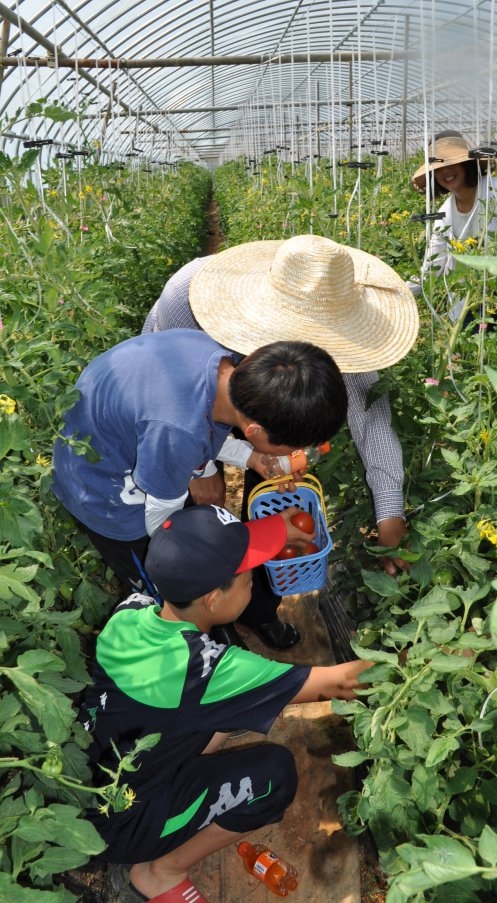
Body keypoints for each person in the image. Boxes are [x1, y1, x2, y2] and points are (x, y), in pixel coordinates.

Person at [79, 503, 372, 903]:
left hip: (92, 781)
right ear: (214, 599)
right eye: (248, 579)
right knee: (274, 774)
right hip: (124, 821)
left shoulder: (132, 611)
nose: (253, 584)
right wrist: (423, 658)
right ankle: (161, 872)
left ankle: (175, 788)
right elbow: (339, 683)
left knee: (223, 712)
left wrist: (280, 531)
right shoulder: (205, 670)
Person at [142, 234, 420, 645]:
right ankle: (202, 619)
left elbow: (372, 423)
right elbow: (162, 385)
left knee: (273, 490)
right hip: (192, 407)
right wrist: (199, 468)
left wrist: (389, 515)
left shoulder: (350, 336)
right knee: (188, 515)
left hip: (264, 413)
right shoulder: (192, 295)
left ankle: (255, 608)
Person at [52, 332, 347, 649]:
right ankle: (200, 638)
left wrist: (252, 457)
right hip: (109, 497)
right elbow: (168, 539)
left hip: (139, 452)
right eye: (290, 447)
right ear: (255, 431)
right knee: (171, 582)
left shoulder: (217, 361)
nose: (293, 454)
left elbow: (193, 424)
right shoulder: (177, 434)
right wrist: (270, 533)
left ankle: (218, 620)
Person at [410, 131, 497, 320]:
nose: (445, 172)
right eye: (438, 167)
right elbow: (433, 267)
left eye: (451, 163)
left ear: (467, 162)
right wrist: (399, 290)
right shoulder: (445, 213)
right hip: (466, 304)